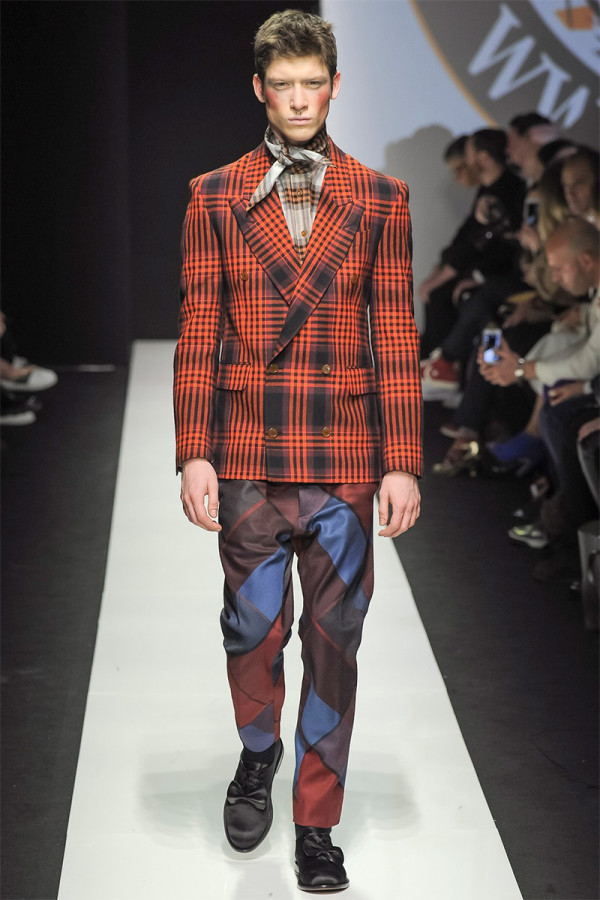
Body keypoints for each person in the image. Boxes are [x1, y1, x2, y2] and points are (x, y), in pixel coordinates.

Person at [173, 10, 422, 893]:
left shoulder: (382, 198)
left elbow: (395, 331)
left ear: (335, 85)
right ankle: (257, 753)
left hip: (345, 452)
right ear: (259, 89)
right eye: (283, 85)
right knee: (251, 629)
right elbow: (199, 327)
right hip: (249, 447)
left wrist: (403, 459)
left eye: (313, 83)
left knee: (333, 639)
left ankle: (317, 822)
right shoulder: (214, 196)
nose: (300, 99)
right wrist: (193, 450)